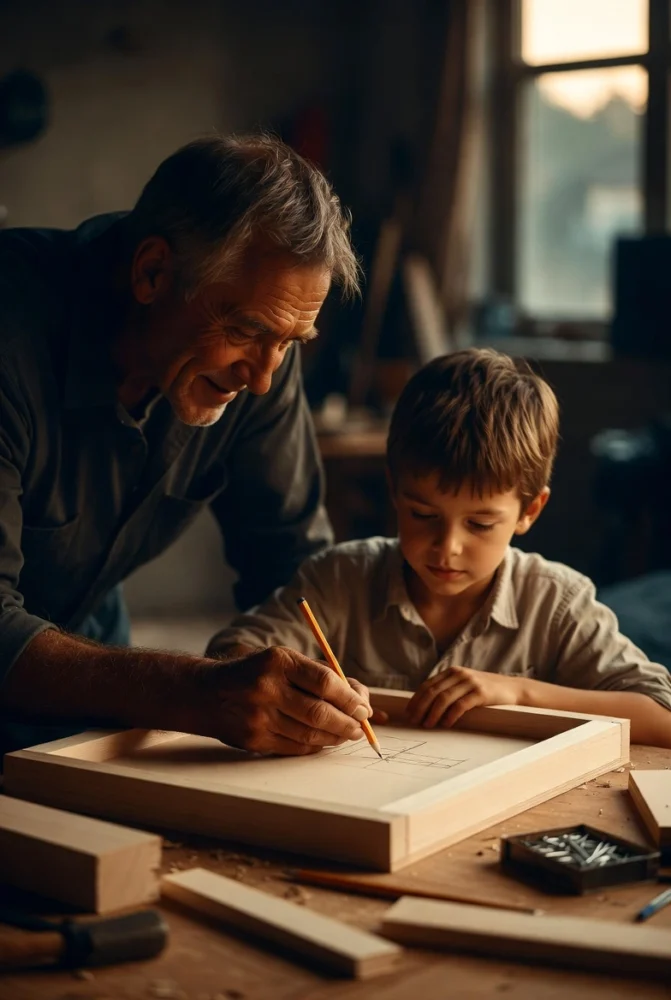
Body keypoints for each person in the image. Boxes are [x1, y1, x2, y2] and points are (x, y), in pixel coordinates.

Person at [0, 133, 374, 758]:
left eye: (292, 341)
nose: (261, 379)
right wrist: (199, 692)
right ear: (151, 272)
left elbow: (288, 563)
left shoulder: (264, 352)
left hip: (84, 642)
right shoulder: (12, 334)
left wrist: (313, 682)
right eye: (246, 331)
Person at [209, 349, 671, 748]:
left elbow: (660, 715)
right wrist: (307, 689)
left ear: (530, 510)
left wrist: (519, 693)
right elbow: (229, 656)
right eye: (423, 516)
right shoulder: (338, 579)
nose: (447, 547)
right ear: (394, 490)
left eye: (481, 524)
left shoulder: (556, 602)